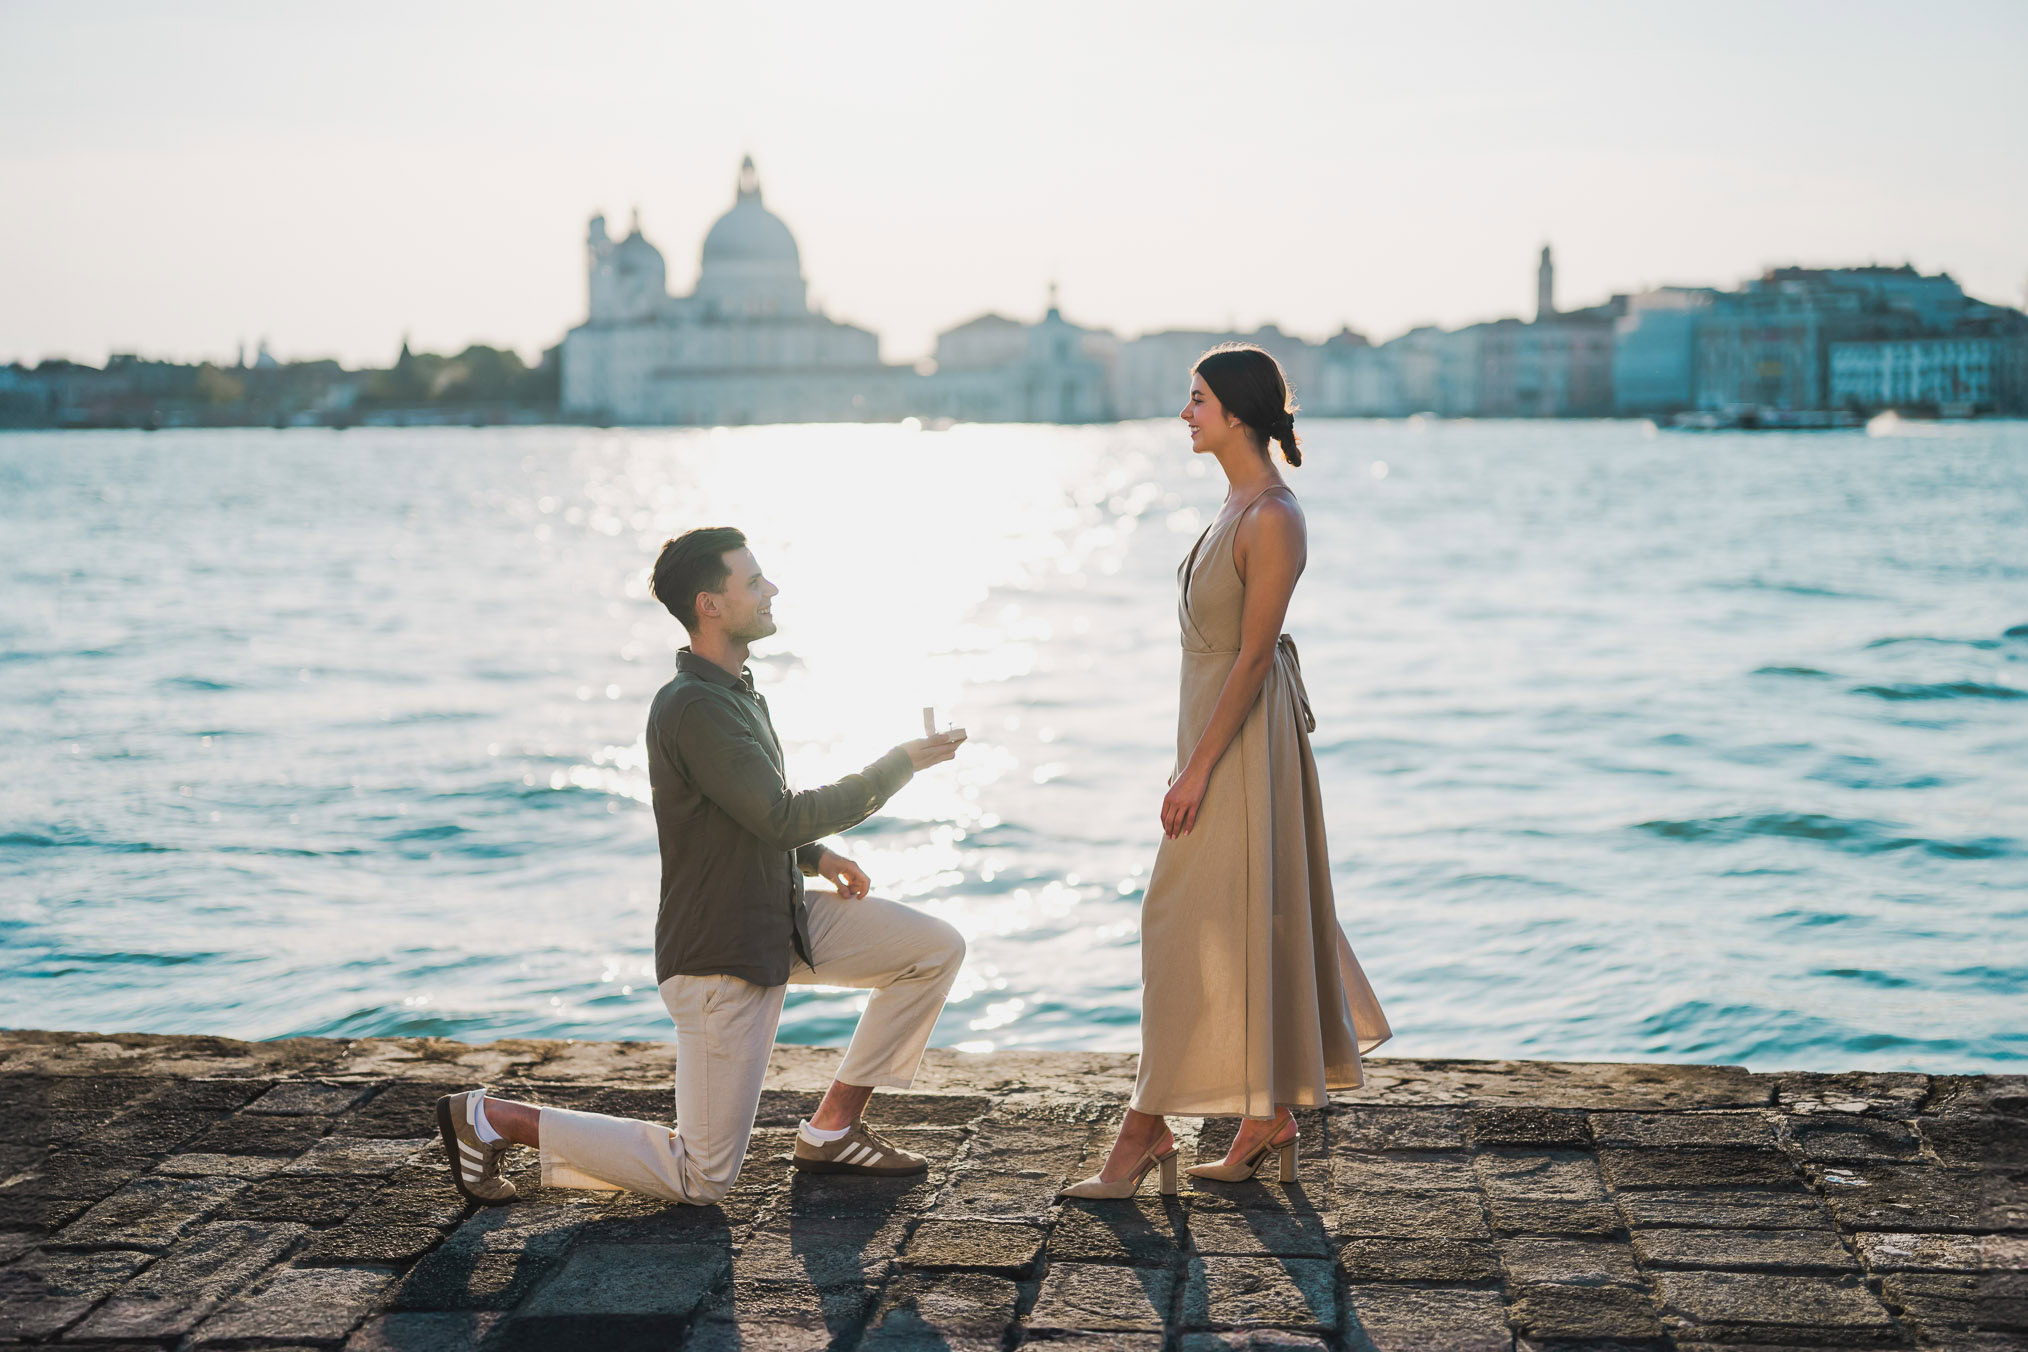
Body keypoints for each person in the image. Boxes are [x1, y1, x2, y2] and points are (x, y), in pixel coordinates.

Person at [435, 526, 968, 1207]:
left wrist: (814, 855)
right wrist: (899, 766)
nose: (770, 589)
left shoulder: (732, 692)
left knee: (931, 949)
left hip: (775, 919)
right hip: (722, 956)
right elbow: (775, 813)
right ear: (709, 604)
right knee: (702, 1176)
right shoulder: (692, 706)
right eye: (753, 582)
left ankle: (834, 1128)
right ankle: (491, 1118)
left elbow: (742, 813)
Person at [1061, 345, 1391, 1199]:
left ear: (1238, 412)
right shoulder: (1233, 504)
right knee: (1223, 922)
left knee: (1173, 922)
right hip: (1211, 738)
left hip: (1244, 745)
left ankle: (1145, 1131)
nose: (1186, 414)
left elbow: (1249, 661)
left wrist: (1197, 772)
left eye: (1198, 400)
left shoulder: (1274, 515)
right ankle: (1262, 1116)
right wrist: (1188, 760)